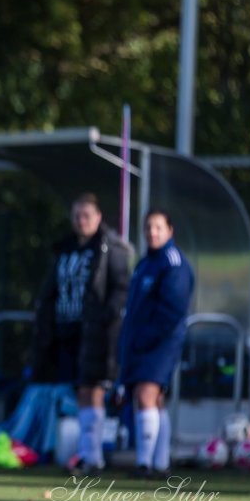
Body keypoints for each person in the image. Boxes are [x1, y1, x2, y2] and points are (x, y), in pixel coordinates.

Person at [32, 192, 131, 476]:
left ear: (98, 217)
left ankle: (93, 457)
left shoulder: (110, 248)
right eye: (77, 215)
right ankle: (88, 455)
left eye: (87, 215)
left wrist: (104, 320)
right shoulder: (66, 249)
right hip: (67, 330)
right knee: (80, 392)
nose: (81, 220)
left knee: (94, 390)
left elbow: (119, 289)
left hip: (95, 332)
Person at [118, 210, 194, 479]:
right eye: (149, 227)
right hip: (142, 341)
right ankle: (160, 464)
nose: (152, 232)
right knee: (154, 399)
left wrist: (147, 337)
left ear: (170, 230)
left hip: (161, 342)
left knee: (146, 396)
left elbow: (172, 310)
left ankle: (145, 464)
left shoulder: (173, 262)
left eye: (158, 227)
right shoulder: (143, 263)